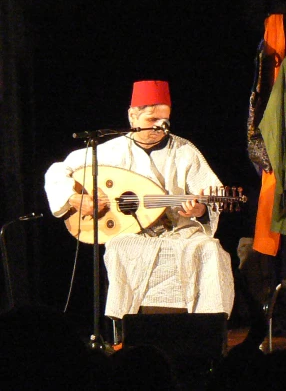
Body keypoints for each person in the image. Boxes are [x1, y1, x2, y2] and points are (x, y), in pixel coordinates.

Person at [44, 80, 235, 324]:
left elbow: (210, 193)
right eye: (151, 120)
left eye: (165, 120)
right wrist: (74, 198)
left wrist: (201, 209)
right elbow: (57, 171)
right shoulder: (109, 151)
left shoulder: (184, 150)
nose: (160, 127)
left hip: (179, 232)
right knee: (121, 248)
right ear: (132, 117)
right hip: (132, 235)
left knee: (210, 250)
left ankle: (207, 329)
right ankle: (126, 330)